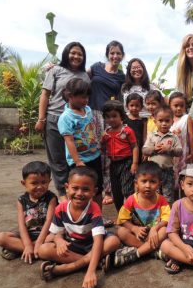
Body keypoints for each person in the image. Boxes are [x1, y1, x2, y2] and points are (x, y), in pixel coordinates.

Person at [38, 167, 121, 288]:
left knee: (113, 241)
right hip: (73, 245)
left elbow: (98, 241)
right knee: (43, 249)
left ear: (94, 191)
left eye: (86, 189)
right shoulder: (60, 208)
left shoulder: (94, 208)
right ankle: (97, 263)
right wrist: (59, 240)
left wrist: (90, 272)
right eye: (75, 188)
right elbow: (58, 233)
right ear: (67, 187)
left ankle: (69, 268)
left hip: (92, 245)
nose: (79, 193)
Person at [35, 42, 90, 201]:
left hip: (76, 122)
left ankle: (76, 194)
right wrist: (41, 119)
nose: (76, 56)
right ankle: (63, 196)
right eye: (73, 53)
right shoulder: (55, 70)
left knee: (75, 159)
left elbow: (87, 98)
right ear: (66, 54)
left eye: (80, 54)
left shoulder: (85, 76)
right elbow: (45, 95)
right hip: (54, 118)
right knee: (57, 160)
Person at [0, 161, 57, 264]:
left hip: (46, 234)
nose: (40, 186)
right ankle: (32, 250)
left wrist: (39, 242)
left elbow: (49, 222)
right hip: (28, 233)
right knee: (0, 238)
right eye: (34, 183)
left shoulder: (51, 198)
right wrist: (28, 245)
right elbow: (21, 225)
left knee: (56, 238)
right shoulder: (21, 200)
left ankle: (21, 249)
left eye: (44, 182)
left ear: (49, 182)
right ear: (24, 183)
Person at [113, 161, 170, 267]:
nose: (148, 185)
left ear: (159, 183)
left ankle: (137, 253)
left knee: (165, 230)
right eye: (144, 181)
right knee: (121, 231)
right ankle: (151, 251)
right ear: (136, 183)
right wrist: (134, 229)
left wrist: (155, 228)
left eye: (153, 181)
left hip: (154, 236)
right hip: (137, 236)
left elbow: (167, 219)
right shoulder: (131, 200)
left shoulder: (161, 200)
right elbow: (122, 220)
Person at [88, 40, 126, 198]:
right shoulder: (96, 67)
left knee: (109, 151)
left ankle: (108, 190)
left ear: (122, 56)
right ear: (107, 54)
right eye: (112, 53)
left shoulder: (121, 76)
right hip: (93, 114)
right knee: (95, 150)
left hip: (109, 117)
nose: (115, 56)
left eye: (118, 53)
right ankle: (95, 187)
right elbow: (79, 76)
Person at [57, 78, 103, 206]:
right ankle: (76, 216)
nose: (86, 100)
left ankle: (98, 215)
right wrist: (77, 161)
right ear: (70, 96)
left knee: (97, 188)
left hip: (94, 156)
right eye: (82, 97)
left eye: (87, 97)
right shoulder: (66, 118)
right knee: (78, 190)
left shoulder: (87, 110)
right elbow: (69, 141)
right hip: (79, 160)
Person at [101, 100, 139, 212]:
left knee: (127, 190)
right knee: (116, 191)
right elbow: (103, 148)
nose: (111, 119)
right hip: (113, 164)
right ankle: (120, 215)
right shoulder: (106, 132)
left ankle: (132, 214)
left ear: (121, 116)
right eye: (108, 117)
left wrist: (134, 163)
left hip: (126, 163)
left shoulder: (127, 131)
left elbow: (135, 147)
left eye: (114, 116)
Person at [142, 106, 182, 204]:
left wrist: (169, 149)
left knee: (168, 196)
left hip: (167, 171)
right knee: (153, 195)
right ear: (155, 122)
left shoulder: (173, 137)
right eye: (160, 121)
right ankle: (155, 216)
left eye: (167, 121)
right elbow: (144, 150)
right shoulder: (152, 136)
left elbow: (179, 151)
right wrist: (154, 149)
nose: (164, 123)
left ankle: (168, 217)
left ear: (172, 122)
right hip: (153, 172)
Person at [169, 92, 193, 198]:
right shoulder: (167, 119)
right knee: (173, 183)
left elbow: (191, 136)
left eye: (181, 106)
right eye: (175, 106)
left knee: (184, 181)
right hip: (171, 157)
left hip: (184, 156)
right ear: (170, 105)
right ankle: (176, 205)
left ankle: (185, 205)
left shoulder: (187, 118)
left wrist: (192, 152)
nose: (178, 108)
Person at [124, 93, 147, 163]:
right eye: (132, 105)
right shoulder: (124, 120)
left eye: (137, 105)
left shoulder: (143, 121)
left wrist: (144, 150)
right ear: (127, 106)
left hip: (139, 147)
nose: (134, 108)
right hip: (127, 148)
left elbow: (144, 137)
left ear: (141, 107)